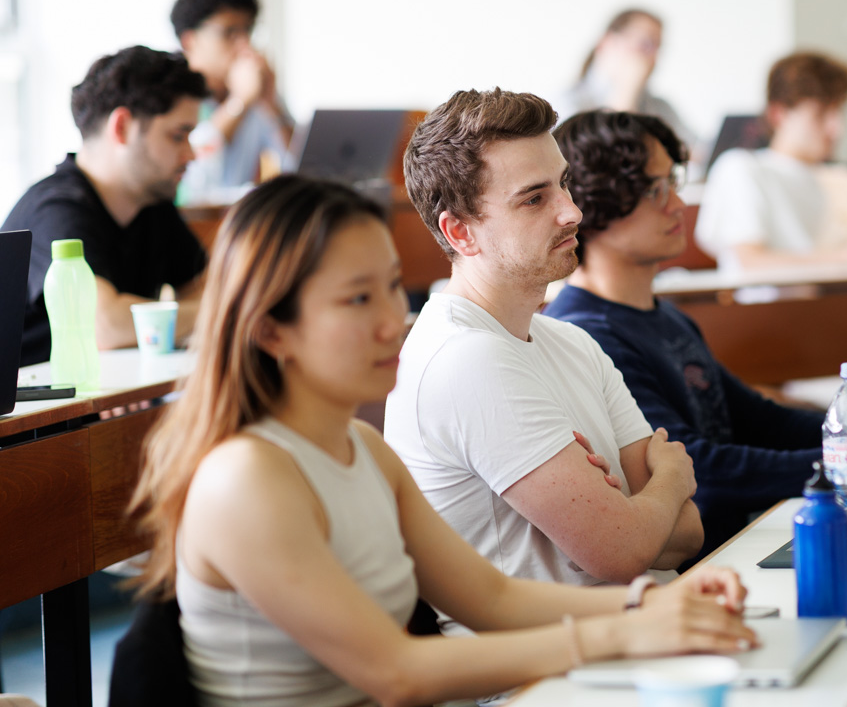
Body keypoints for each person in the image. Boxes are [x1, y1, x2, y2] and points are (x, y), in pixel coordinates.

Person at [128, 175, 755, 705]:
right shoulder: (244, 477)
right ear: (272, 332)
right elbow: (392, 672)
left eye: (390, 287)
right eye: (356, 299)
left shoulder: (361, 448)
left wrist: (648, 604)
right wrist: (626, 632)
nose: (389, 321)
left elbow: (492, 597)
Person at [544, 110, 847, 557]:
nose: (678, 205)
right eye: (655, 190)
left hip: (742, 543)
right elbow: (704, 469)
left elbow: (758, 420)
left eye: (673, 184)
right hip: (704, 566)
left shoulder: (664, 315)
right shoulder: (587, 333)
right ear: (596, 201)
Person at [387, 89, 704, 627]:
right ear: (459, 232)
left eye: (564, 183)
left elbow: (689, 534)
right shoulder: (466, 358)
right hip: (543, 676)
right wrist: (670, 481)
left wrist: (639, 516)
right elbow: (623, 553)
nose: (572, 211)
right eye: (534, 199)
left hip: (642, 638)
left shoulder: (571, 341)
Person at [1, 45, 208, 366]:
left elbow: (203, 289)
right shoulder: (55, 210)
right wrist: (212, 314)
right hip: (38, 414)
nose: (191, 154)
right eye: (178, 136)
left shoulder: (153, 203)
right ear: (122, 127)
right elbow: (104, 326)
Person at [695, 51, 847, 272]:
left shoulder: (846, 179)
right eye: (821, 114)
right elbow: (749, 260)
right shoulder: (742, 170)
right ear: (779, 114)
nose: (837, 129)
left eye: (839, 112)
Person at [171, 0, 294, 197]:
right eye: (229, 33)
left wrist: (271, 103)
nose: (244, 44)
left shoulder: (257, 91)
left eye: (248, 31)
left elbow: (301, 168)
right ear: (190, 41)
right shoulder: (168, 93)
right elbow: (191, 183)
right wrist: (240, 102)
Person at [555, 8, 698, 153]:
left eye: (657, 48)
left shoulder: (660, 107)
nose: (653, 58)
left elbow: (698, 152)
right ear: (607, 42)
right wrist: (627, 88)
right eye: (646, 45)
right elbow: (603, 158)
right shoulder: (568, 104)